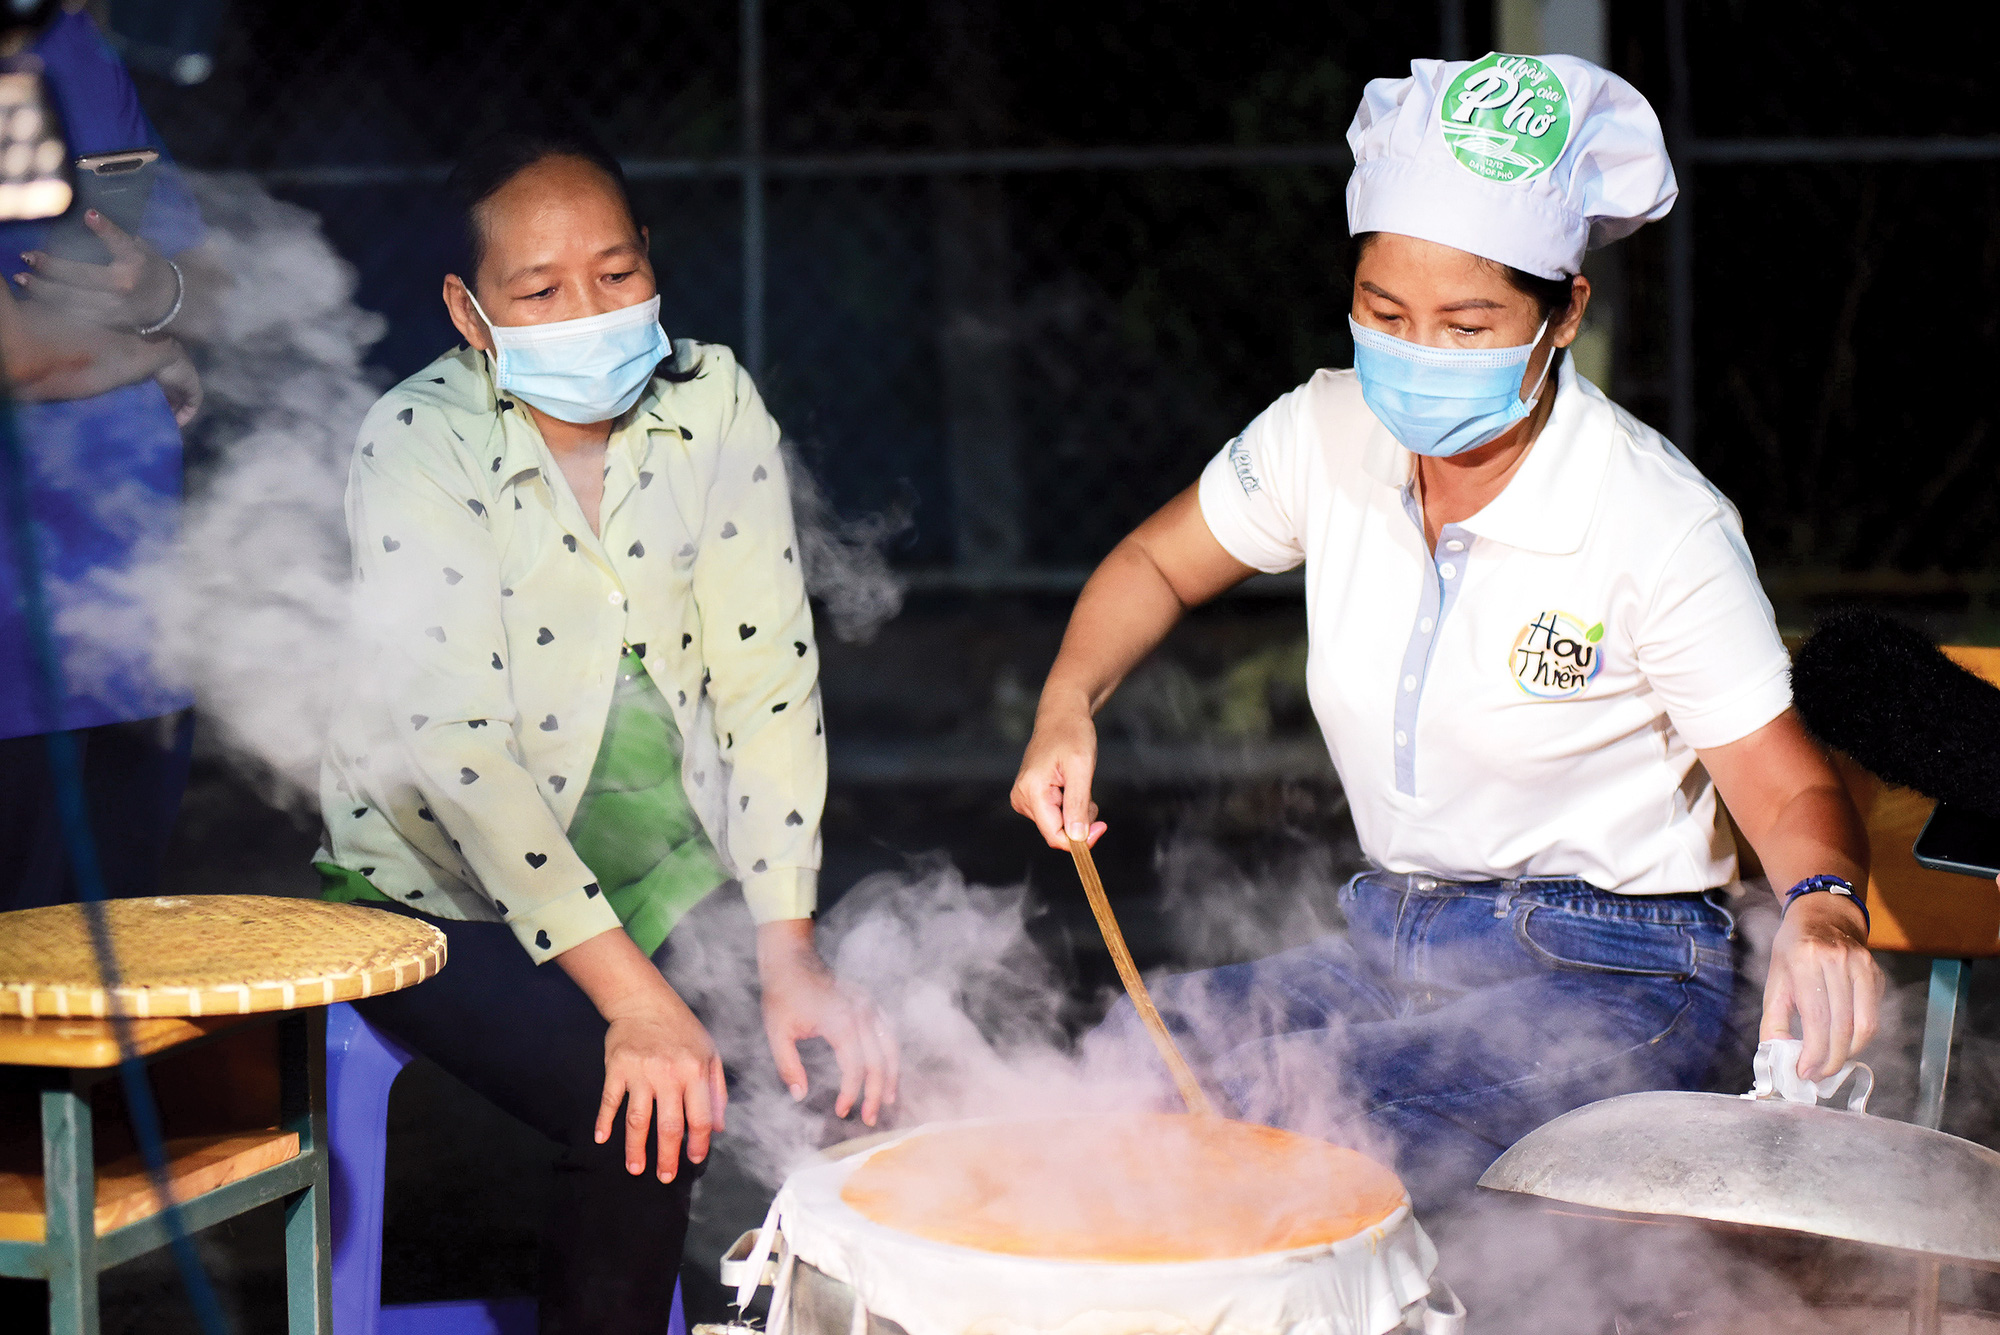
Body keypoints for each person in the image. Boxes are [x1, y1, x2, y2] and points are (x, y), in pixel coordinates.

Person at [1012, 52, 1884, 1213]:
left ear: (1562, 312)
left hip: (1619, 973)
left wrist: (1823, 904)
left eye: (1469, 324)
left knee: (1337, 1127)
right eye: (1385, 312)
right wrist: (1067, 704)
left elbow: (1782, 792)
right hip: (1396, 941)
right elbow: (1154, 562)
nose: (1418, 351)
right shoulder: (1324, 432)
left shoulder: (1654, 522)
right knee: (1137, 1053)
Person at [313, 127, 895, 1332]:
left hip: (656, 858)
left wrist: (787, 955)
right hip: (438, 885)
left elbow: (765, 680)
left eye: (616, 274)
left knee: (851, 1067)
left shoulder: (711, 400)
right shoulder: (416, 444)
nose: (588, 310)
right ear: (470, 314)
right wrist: (634, 1005)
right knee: (631, 1109)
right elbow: (459, 753)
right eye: (538, 290)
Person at [0, 1, 206, 913]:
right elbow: (19, 354)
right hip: (16, 643)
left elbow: (192, 272)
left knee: (109, 972)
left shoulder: (77, 48)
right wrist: (152, 350)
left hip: (129, 612)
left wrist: (163, 300)